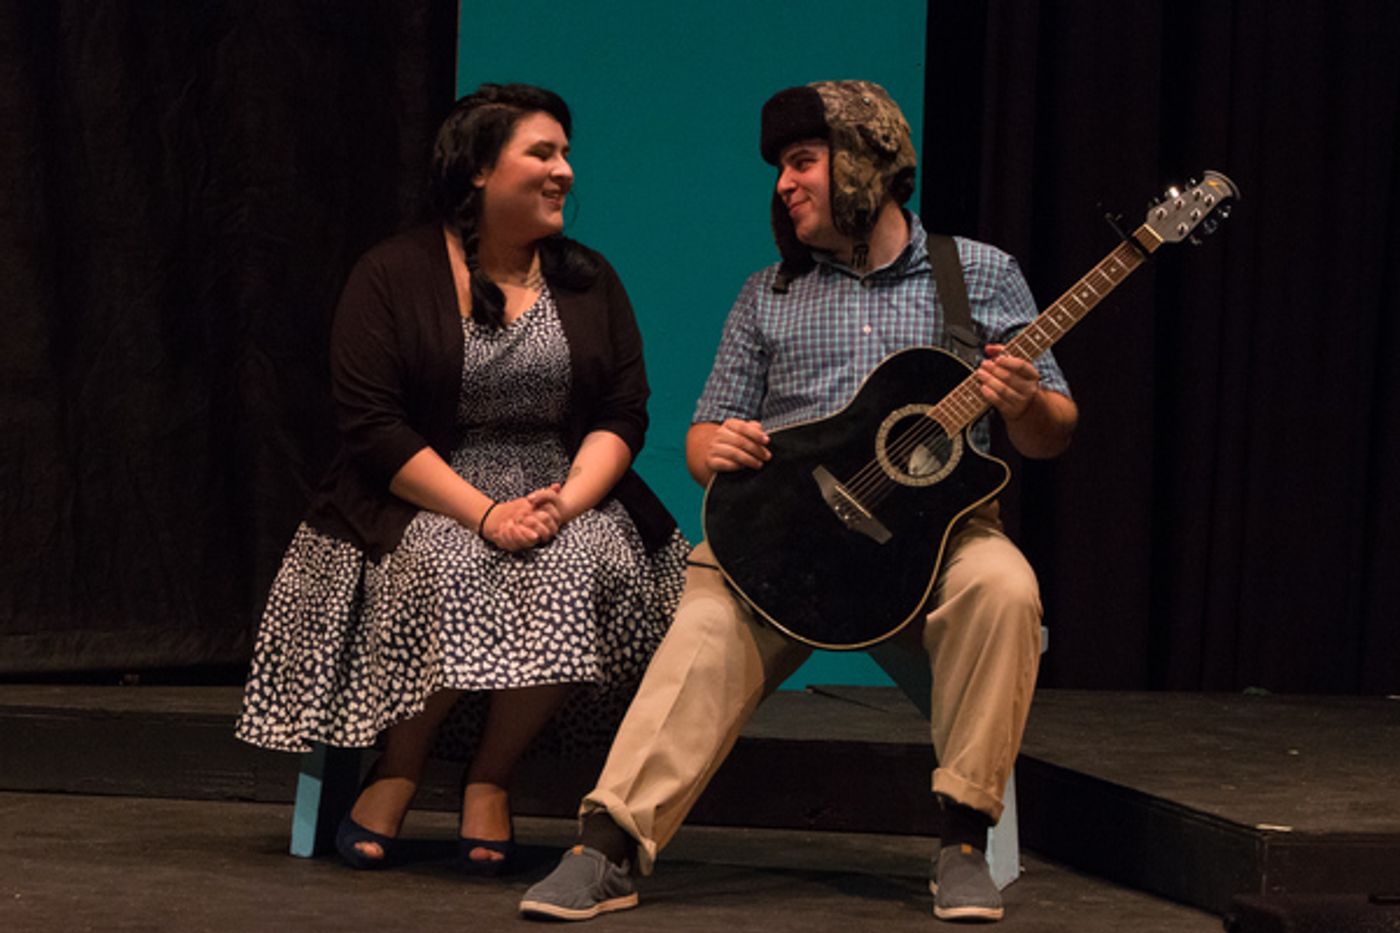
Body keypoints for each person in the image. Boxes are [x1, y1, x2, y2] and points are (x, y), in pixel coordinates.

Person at [518, 80, 1077, 923]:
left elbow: (1050, 433)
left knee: (1004, 590)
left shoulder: (980, 275)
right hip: (782, 536)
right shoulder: (767, 294)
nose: (784, 183)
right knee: (705, 627)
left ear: (870, 162)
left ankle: (963, 837)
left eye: (803, 161)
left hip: (939, 539)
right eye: (781, 166)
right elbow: (704, 437)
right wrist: (720, 448)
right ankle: (609, 845)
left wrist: (1026, 400)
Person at [235, 83, 690, 874]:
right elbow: (373, 429)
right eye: (542, 153)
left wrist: (563, 505)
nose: (565, 172)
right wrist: (486, 515)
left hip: (561, 487)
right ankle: (399, 765)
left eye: (566, 154)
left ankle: (491, 774)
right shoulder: (392, 273)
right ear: (480, 168)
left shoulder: (587, 281)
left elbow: (625, 413)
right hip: (424, 490)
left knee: (586, 558)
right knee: (449, 560)